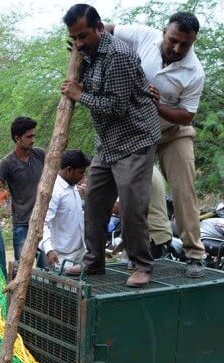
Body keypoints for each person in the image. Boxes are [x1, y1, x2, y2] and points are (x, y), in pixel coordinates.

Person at [61, 4, 161, 288]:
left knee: (131, 207)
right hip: (107, 143)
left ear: (99, 28)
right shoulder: (88, 54)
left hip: (135, 140)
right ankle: (93, 261)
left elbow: (116, 107)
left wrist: (80, 95)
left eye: (83, 36)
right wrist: (79, 66)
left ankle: (142, 265)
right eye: (74, 38)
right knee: (93, 201)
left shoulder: (119, 55)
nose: (79, 43)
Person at [106, 12, 207, 275]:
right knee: (132, 192)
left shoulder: (194, 72)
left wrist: (158, 105)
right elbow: (105, 29)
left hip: (174, 132)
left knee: (184, 191)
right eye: (173, 40)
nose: (177, 48)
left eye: (185, 44)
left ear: (193, 42)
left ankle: (194, 254)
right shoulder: (142, 35)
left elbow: (187, 114)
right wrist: (83, 37)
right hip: (138, 133)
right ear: (164, 32)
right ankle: (134, 251)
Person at [0, 117, 45, 262]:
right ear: (17, 138)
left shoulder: (40, 154)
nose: (33, 140)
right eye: (29, 136)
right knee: (21, 269)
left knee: (47, 270)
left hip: (43, 222)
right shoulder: (6, 163)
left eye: (34, 135)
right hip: (22, 224)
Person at [41, 150, 89, 269]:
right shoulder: (54, 191)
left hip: (81, 253)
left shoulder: (73, 187)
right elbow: (43, 223)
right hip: (62, 257)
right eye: (81, 173)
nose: (82, 177)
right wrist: (49, 250)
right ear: (69, 170)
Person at [147, 166, 173, 259]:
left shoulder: (138, 171)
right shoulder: (153, 168)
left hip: (152, 237)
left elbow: (118, 208)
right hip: (162, 233)